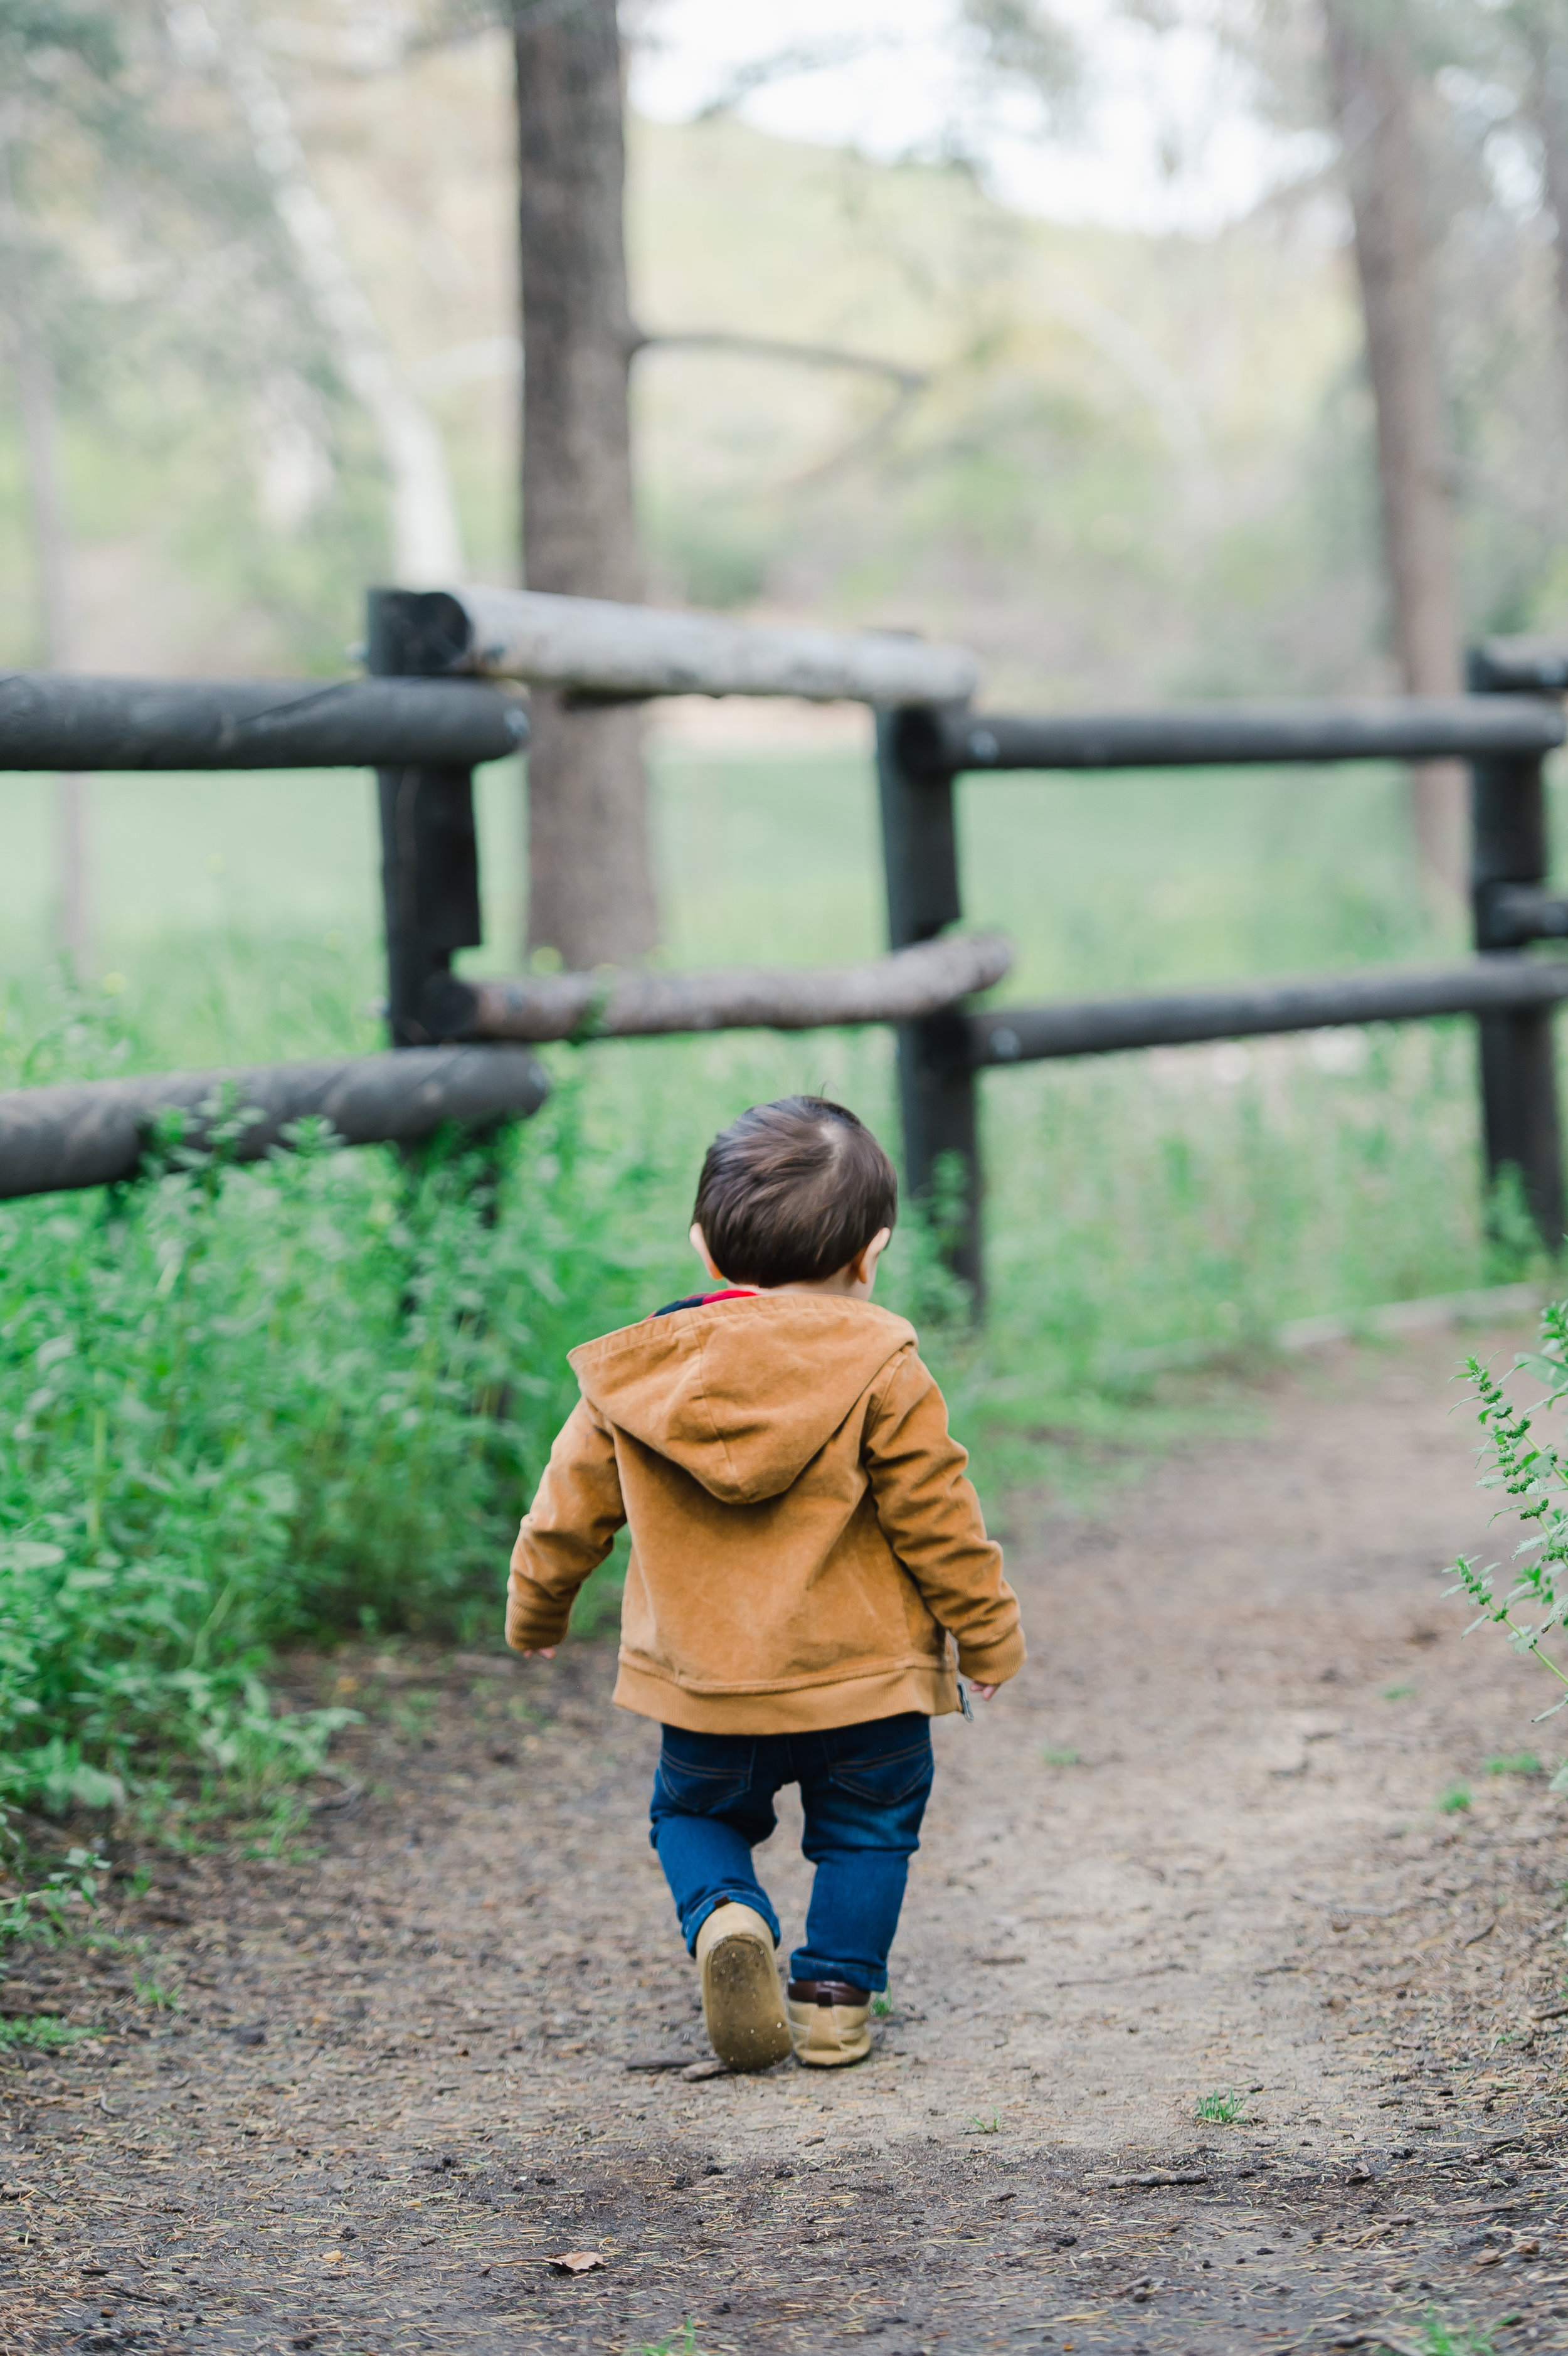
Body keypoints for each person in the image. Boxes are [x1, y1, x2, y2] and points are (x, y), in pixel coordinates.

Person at [505, 1095, 1024, 2072]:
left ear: (704, 1248)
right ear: (871, 1255)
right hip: (863, 1682)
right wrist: (986, 1637)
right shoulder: (883, 1365)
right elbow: (940, 1520)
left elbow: (565, 1512)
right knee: (869, 1829)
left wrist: (538, 1605)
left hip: (708, 1688)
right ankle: (833, 2000)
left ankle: (727, 1915)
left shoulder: (636, 1378)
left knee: (694, 1815)